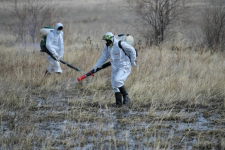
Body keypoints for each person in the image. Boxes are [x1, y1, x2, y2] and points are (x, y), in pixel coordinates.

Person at [92, 32, 137, 106]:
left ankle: (126, 95)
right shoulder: (107, 46)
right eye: (106, 41)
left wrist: (132, 61)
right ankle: (118, 105)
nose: (108, 42)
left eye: (109, 40)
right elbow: (103, 57)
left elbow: (132, 50)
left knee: (117, 80)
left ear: (112, 38)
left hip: (124, 66)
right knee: (115, 86)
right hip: (115, 67)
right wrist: (96, 66)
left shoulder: (121, 44)